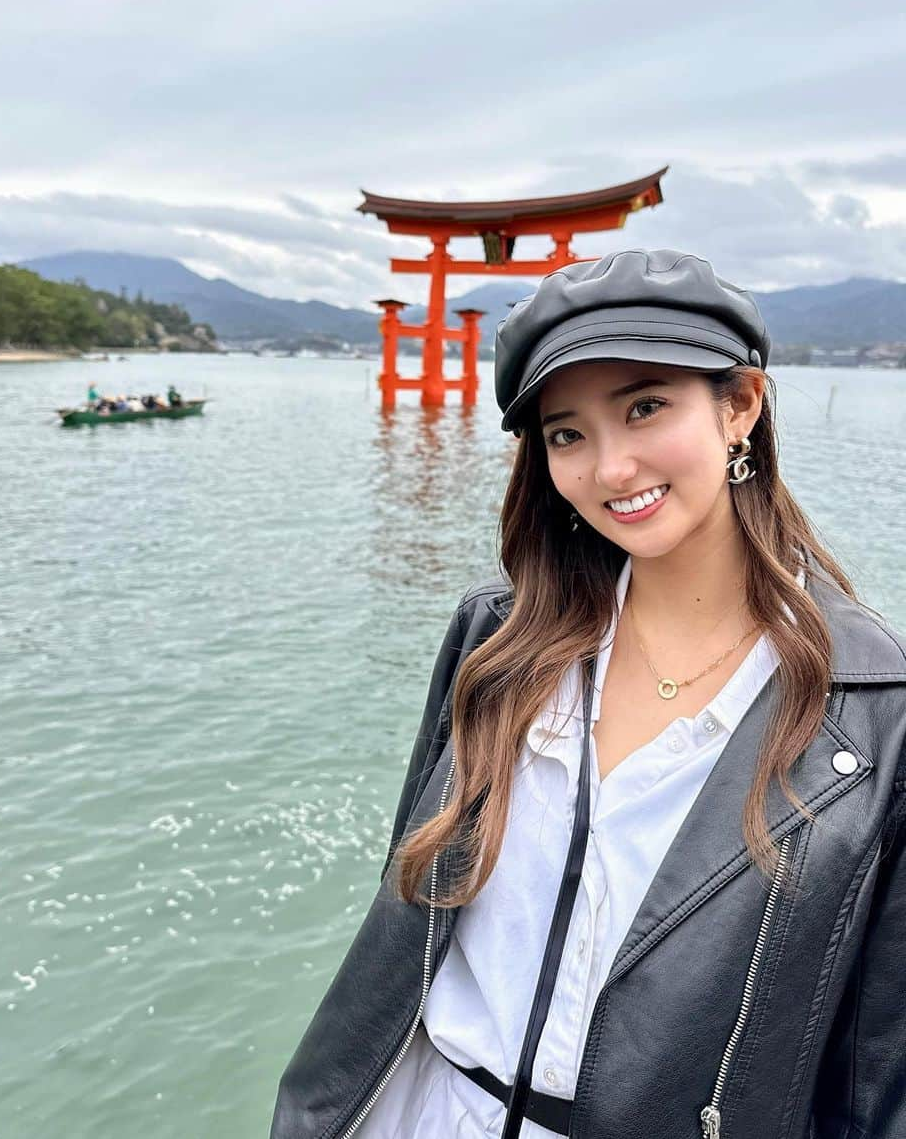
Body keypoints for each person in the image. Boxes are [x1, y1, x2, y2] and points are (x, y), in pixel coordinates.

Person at [269, 248, 906, 1139]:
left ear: (741, 405)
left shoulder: (875, 712)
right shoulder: (500, 642)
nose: (611, 470)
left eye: (646, 406)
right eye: (567, 434)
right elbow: (408, 913)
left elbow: (875, 1073)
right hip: (409, 1110)